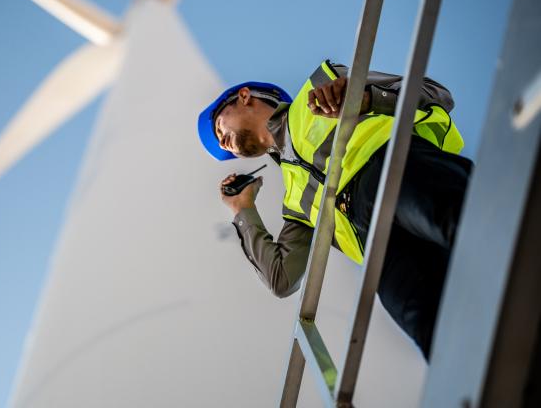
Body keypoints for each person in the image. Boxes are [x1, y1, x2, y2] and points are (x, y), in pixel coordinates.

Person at [197, 60, 473, 359]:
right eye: (222, 148)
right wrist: (243, 209)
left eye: (218, 127)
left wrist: (364, 99)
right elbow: (282, 278)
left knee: (470, 228)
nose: (222, 143)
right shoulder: (294, 201)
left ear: (244, 96)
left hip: (394, 166)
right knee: (429, 326)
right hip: (374, 243)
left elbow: (435, 93)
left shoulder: (320, 88)